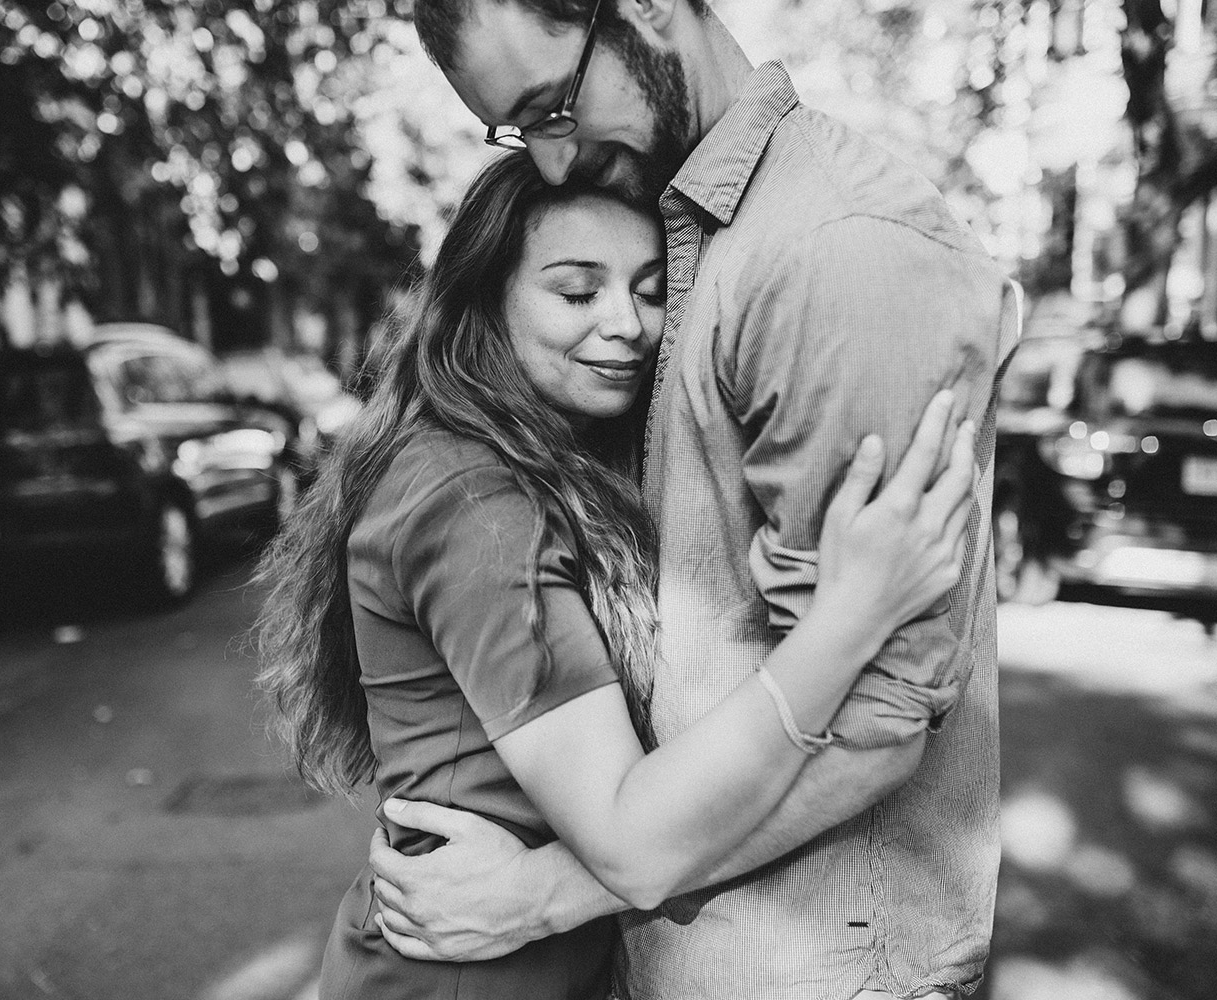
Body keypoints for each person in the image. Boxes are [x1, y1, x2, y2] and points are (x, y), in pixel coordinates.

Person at [365, 1, 1021, 998]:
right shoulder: (694, 233)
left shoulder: (830, 249)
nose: (550, 164)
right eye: (519, 131)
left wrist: (545, 892)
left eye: (555, 107)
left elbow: (878, 717)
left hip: (824, 971)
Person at [255, 152, 978, 999]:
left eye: (647, 290)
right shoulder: (474, 506)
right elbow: (633, 845)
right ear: (485, 299)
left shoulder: (540, 464)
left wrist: (545, 894)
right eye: (575, 291)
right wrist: (850, 618)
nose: (627, 324)